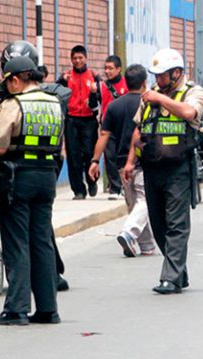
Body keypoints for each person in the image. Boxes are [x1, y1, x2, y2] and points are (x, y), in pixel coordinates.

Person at [0, 40, 71, 292]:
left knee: (17, 241)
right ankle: (47, 307)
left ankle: (17, 307)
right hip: (46, 174)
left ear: (15, 80)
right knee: (41, 239)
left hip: (17, 175)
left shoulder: (13, 102)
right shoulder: (54, 101)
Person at [123, 48, 203, 294]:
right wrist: (130, 162)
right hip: (151, 168)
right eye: (156, 76)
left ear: (176, 73)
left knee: (176, 224)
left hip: (178, 168)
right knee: (159, 224)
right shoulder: (150, 98)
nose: (157, 81)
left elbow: (190, 113)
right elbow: (138, 130)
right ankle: (179, 271)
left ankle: (169, 278)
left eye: (162, 76)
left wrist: (160, 99)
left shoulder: (192, 92)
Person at [90, 64, 156, 258]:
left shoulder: (114, 106)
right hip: (144, 161)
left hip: (120, 163)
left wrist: (95, 161)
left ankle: (147, 245)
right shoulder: (149, 104)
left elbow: (103, 135)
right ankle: (128, 232)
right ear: (144, 82)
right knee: (145, 201)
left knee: (134, 203)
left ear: (125, 82)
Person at [58, 45, 102, 200]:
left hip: (89, 119)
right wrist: (61, 81)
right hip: (71, 119)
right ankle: (78, 190)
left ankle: (92, 181)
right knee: (73, 155)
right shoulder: (66, 77)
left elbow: (101, 98)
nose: (77, 61)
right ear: (71, 59)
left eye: (80, 58)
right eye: (74, 58)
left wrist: (95, 93)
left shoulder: (94, 76)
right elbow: (57, 94)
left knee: (89, 153)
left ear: (86, 58)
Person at [90, 55, 128, 198]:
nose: (107, 71)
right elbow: (93, 106)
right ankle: (115, 188)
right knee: (110, 157)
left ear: (119, 69)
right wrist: (93, 94)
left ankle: (126, 185)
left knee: (124, 156)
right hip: (108, 126)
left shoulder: (127, 84)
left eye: (111, 68)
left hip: (125, 126)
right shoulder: (101, 86)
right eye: (105, 68)